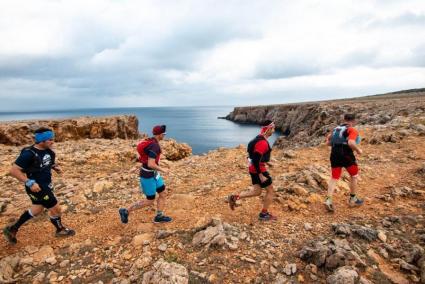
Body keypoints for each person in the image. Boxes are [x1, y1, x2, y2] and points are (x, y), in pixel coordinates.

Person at [3, 127, 75, 244]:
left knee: (37, 209)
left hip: (46, 184)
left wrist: (54, 167)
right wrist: (29, 182)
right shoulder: (28, 154)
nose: (53, 142)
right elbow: (14, 170)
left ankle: (13, 228)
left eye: (53, 139)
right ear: (41, 141)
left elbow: (47, 163)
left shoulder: (50, 152)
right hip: (36, 187)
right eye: (50, 140)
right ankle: (60, 230)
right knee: (56, 208)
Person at [119, 125, 172, 224]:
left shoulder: (150, 140)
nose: (164, 136)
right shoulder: (154, 146)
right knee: (150, 201)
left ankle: (159, 216)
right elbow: (150, 164)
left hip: (154, 175)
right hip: (148, 176)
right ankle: (126, 211)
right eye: (163, 134)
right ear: (160, 134)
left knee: (163, 193)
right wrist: (163, 169)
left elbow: (145, 157)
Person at [228, 120, 277, 221]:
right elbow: (255, 160)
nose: (274, 130)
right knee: (271, 191)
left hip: (253, 169)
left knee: (257, 191)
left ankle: (234, 197)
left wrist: (262, 164)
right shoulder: (262, 143)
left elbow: (251, 156)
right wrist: (261, 175)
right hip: (259, 170)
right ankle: (264, 214)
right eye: (272, 128)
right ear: (268, 129)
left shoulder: (257, 138)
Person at [325, 113, 363, 212]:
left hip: (334, 154)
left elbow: (328, 143)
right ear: (353, 121)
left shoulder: (336, 130)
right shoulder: (351, 129)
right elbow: (351, 142)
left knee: (334, 177)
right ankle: (353, 199)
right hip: (346, 155)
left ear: (344, 119)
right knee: (354, 176)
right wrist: (358, 150)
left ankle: (328, 200)